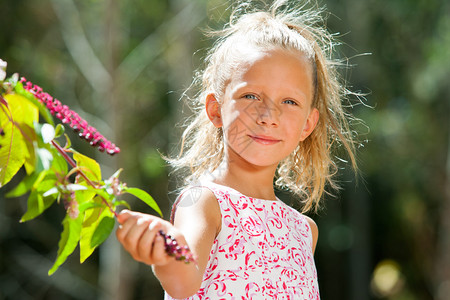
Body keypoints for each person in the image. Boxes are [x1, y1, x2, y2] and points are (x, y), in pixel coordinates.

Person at [116, 0, 359, 299]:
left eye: (289, 102)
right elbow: (182, 283)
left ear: (307, 124)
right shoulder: (203, 201)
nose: (269, 115)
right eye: (251, 95)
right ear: (216, 109)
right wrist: (166, 252)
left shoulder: (305, 231)